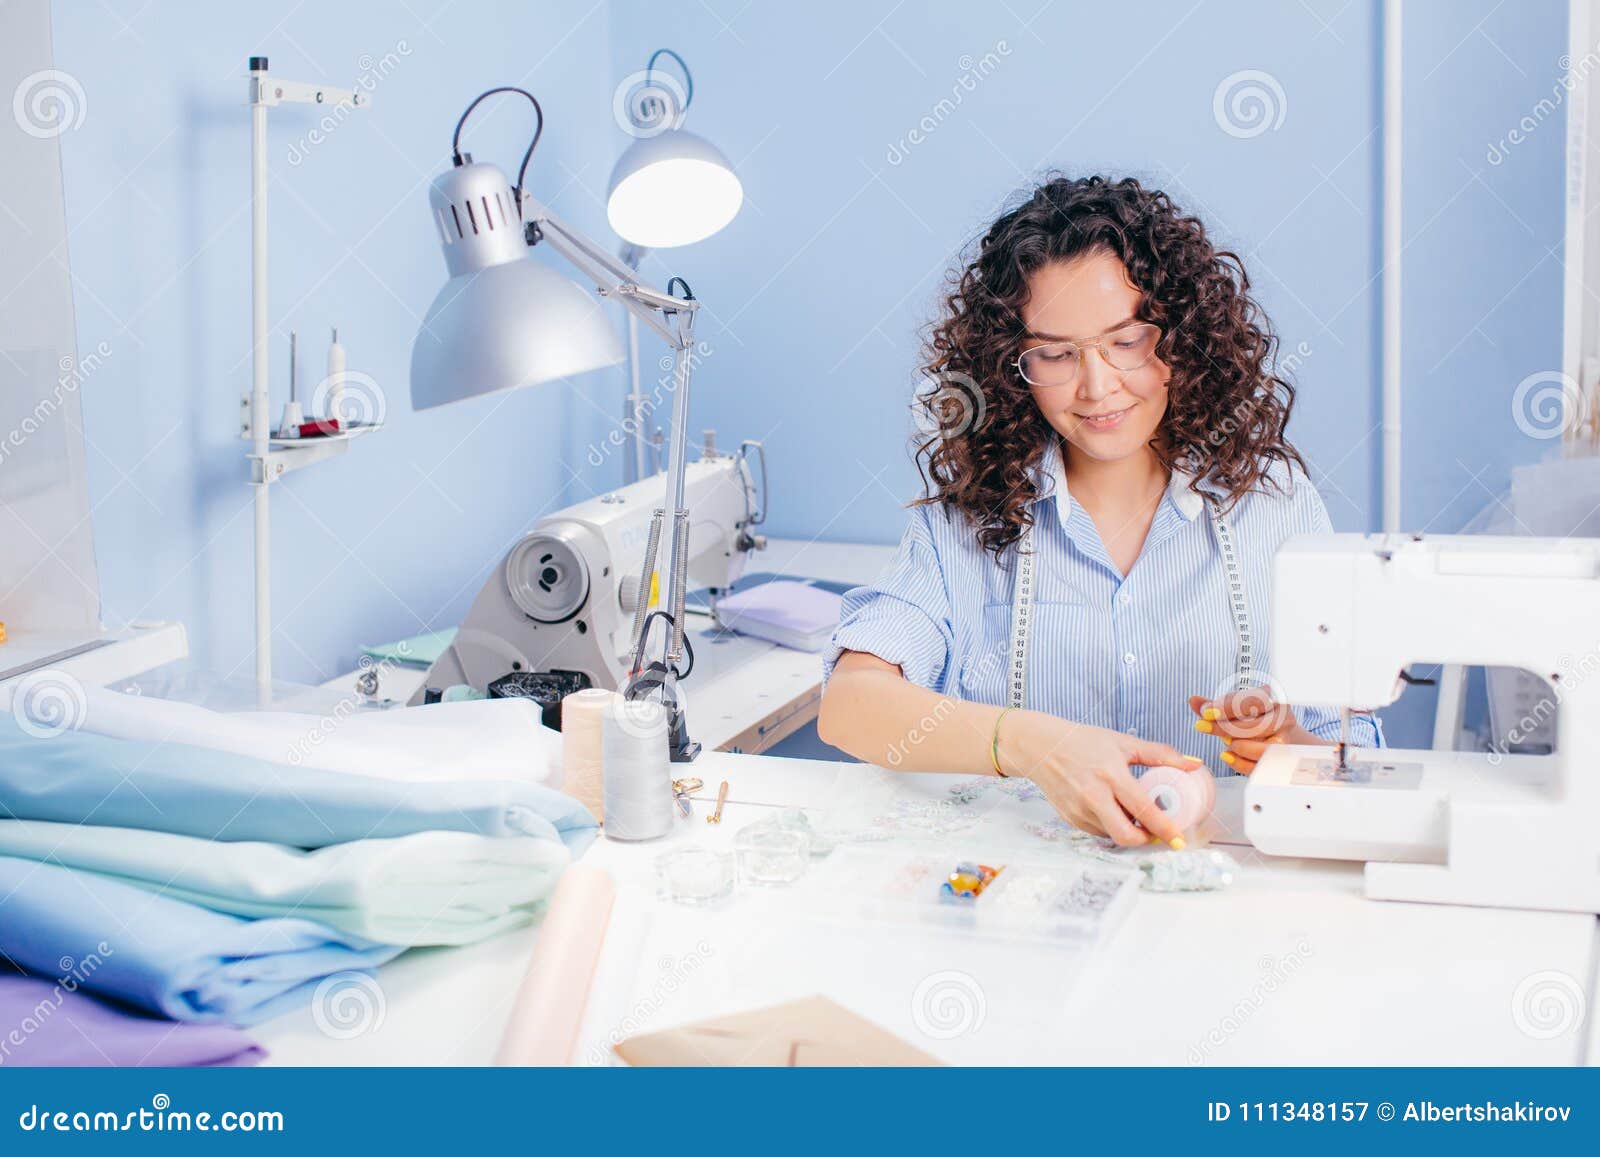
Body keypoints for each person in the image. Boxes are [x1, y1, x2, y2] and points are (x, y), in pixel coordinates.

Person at [817, 175, 1381, 847]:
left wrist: (1282, 745)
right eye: (1054, 353)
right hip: (1024, 894)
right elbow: (849, 706)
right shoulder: (964, 525)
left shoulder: (1275, 507)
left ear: (1183, 337)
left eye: (1127, 341)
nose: (1096, 385)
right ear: (1009, 364)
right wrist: (1033, 745)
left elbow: (1349, 749)